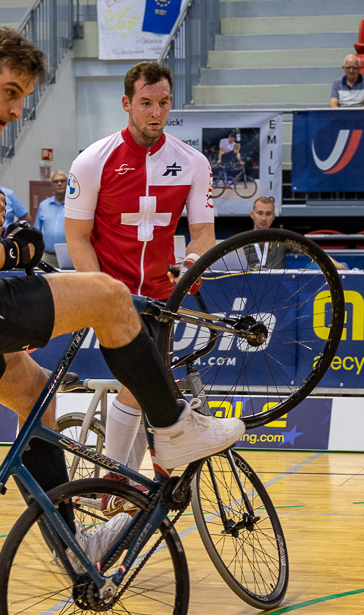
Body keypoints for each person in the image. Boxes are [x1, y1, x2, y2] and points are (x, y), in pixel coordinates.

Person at [0, 27, 243, 521]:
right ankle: (173, 429)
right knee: (108, 296)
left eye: (23, 98)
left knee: (34, 392)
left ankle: (74, 547)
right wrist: (12, 252)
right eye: (10, 94)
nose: (17, 111)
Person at [65, 60, 235, 480]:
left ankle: (123, 480)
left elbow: (202, 234)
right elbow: (77, 238)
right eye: (145, 103)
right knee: (142, 382)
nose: (155, 112)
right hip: (111, 295)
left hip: (162, 295)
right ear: (127, 103)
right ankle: (115, 481)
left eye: (163, 103)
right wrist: (97, 292)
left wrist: (190, 265)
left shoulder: (193, 163)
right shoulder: (92, 161)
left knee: (148, 386)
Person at [34, 170, 67, 262]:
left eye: (62, 181)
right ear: (51, 185)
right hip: (47, 255)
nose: (59, 184)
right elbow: (37, 230)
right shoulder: (43, 206)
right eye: (56, 181)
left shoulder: (74, 206)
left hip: (69, 256)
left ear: (67, 183)